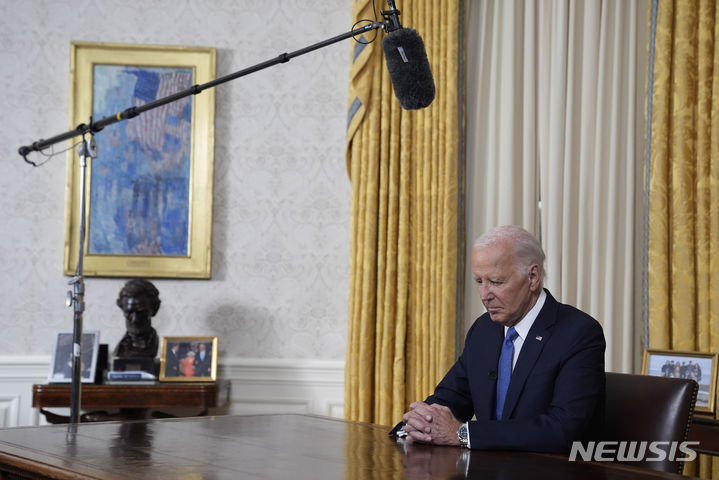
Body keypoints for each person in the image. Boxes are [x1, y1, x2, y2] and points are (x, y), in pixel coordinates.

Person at [397, 225, 605, 453]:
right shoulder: (483, 329)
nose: (485, 295)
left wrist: (463, 434)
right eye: (479, 281)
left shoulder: (578, 333)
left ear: (532, 277)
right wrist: (415, 425)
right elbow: (450, 399)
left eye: (496, 282)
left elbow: (562, 430)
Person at [113, 279, 161, 358]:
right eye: (129, 312)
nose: (135, 319)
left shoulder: (159, 346)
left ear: (154, 310)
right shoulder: (120, 349)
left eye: (141, 312)